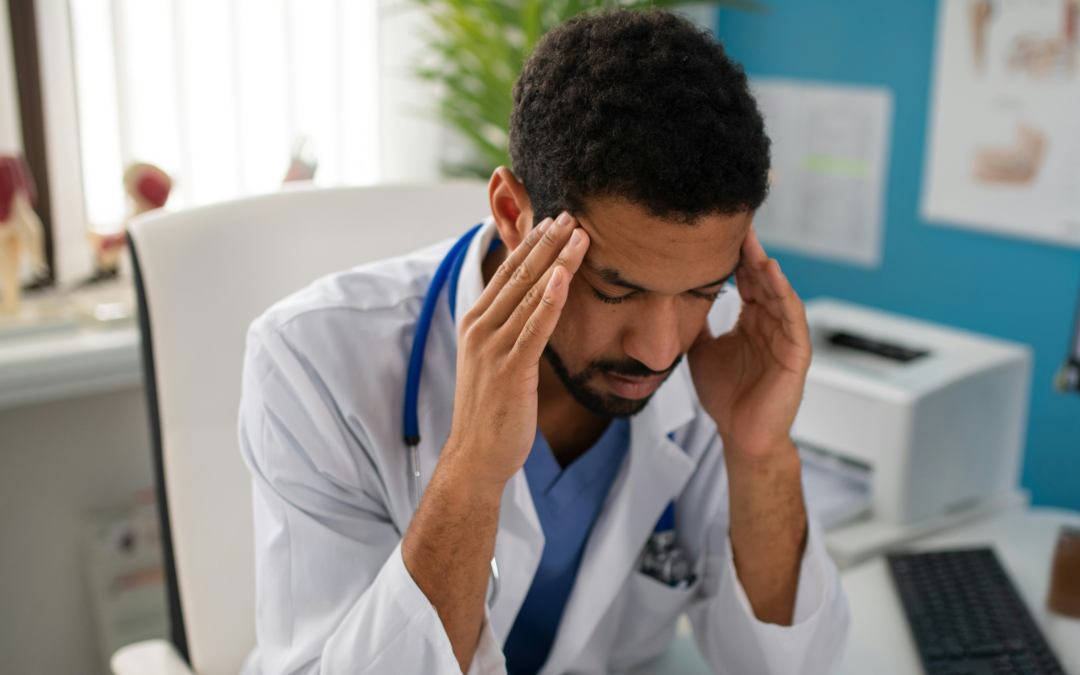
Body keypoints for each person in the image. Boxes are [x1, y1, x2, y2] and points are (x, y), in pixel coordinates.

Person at [238, 9, 849, 675]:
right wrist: (472, 470)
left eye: (704, 289)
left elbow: (796, 665)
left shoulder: (718, 366)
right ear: (512, 213)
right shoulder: (314, 361)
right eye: (616, 290)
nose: (658, 348)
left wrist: (761, 452)